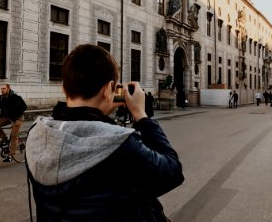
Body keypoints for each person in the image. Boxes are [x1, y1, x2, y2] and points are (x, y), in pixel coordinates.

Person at [25, 44, 184, 221]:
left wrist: (104, 106)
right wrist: (141, 115)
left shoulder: (37, 134)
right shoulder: (119, 144)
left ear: (64, 88)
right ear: (109, 88)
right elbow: (172, 172)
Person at [0, 84, 27, 162]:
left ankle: (11, 155)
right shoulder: (1, 98)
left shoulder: (16, 97)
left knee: (14, 135)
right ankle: (5, 140)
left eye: (4, 89)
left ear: (8, 89)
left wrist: (15, 116)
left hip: (17, 118)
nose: (2, 90)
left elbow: (24, 107)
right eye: (1, 89)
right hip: (7, 117)